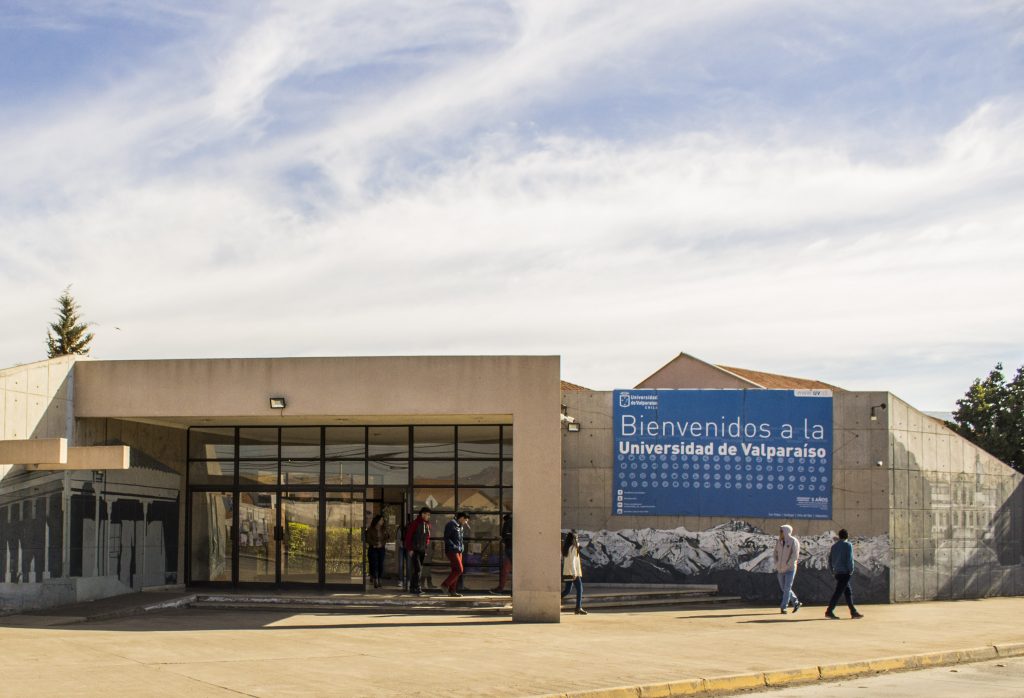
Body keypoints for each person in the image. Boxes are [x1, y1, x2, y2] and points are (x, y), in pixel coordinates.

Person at [826, 529, 865, 620]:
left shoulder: (834, 546)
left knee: (847, 592)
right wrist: (851, 570)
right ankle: (829, 611)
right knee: (838, 592)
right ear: (847, 536)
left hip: (837, 573)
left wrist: (832, 571)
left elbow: (830, 559)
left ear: (839, 536)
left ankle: (853, 612)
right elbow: (849, 559)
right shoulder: (848, 545)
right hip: (845, 572)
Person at [441, 512, 471, 596]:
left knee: (455, 570)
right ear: (461, 518)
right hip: (452, 550)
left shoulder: (460, 526)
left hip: (459, 551)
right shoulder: (451, 524)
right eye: (466, 520)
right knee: (459, 570)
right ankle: (445, 584)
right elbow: (446, 538)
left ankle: (452, 591)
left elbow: (460, 539)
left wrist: (462, 548)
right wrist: (454, 546)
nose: (466, 522)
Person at [403, 507, 431, 595]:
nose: (428, 516)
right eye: (427, 514)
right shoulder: (415, 523)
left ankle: (412, 587)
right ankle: (417, 587)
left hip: (422, 550)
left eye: (429, 515)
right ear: (422, 514)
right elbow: (408, 537)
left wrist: (425, 547)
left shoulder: (427, 524)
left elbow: (427, 537)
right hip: (415, 550)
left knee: (417, 569)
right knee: (418, 569)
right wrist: (410, 549)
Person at [774, 524, 801, 614]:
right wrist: (776, 563)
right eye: (780, 531)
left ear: (786, 532)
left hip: (790, 569)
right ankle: (796, 602)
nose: (780, 533)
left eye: (781, 531)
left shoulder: (793, 541)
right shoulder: (779, 541)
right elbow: (775, 553)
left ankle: (783, 607)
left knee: (787, 587)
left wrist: (788, 565)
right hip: (780, 569)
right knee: (784, 588)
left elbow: (795, 555)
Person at [561, 529, 586, 615]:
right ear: (573, 539)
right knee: (580, 589)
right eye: (576, 538)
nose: (577, 539)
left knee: (567, 590)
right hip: (573, 573)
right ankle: (578, 608)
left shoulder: (567, 548)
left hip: (568, 572)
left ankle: (556, 599)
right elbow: (572, 562)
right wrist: (575, 573)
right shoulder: (573, 548)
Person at [491, 514, 513, 594]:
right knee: (508, 570)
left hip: (510, 548)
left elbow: (506, 534)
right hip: (516, 548)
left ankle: (500, 589)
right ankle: (511, 590)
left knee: (505, 570)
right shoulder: (516, 522)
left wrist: (503, 538)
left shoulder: (508, 522)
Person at [365, 514, 387, 589]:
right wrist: (374, 544)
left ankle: (380, 578)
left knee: (380, 564)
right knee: (374, 564)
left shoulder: (384, 529)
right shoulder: (370, 529)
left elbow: (387, 538)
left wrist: (382, 544)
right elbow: (368, 539)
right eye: (381, 520)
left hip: (381, 548)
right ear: (377, 521)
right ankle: (375, 579)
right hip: (373, 548)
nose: (383, 521)